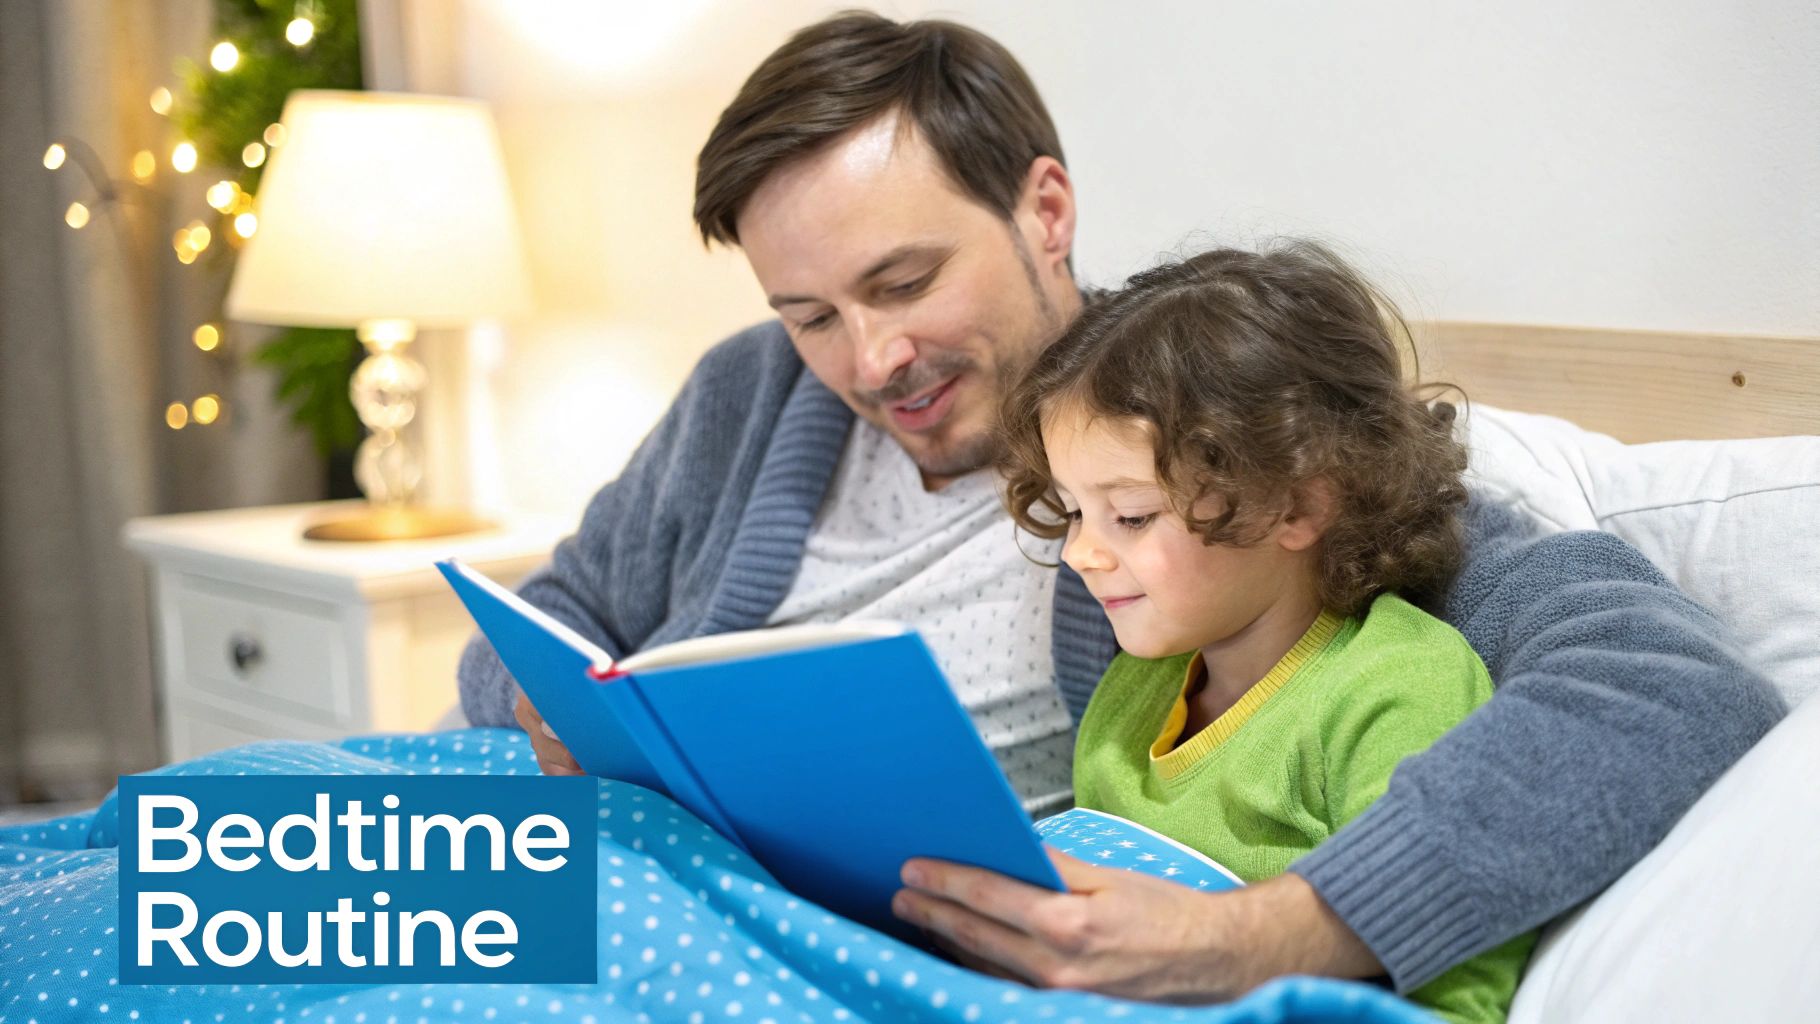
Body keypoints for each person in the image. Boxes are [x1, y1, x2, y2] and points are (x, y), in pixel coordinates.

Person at [457, 9, 1784, 1003]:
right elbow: (559, 611)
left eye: (906, 281)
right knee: (275, 844)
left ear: (1044, 209)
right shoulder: (749, 396)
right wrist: (538, 707)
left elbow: (1666, 686)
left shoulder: (1216, 431)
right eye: (810, 315)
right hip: (629, 858)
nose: (869, 362)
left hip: (833, 946)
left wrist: (1271, 929)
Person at [985, 241, 1536, 1022]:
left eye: (1132, 515)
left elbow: (1454, 992)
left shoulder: (1397, 689)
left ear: (1299, 505)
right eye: (1074, 511)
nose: (1081, 551)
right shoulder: (1138, 686)